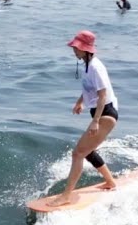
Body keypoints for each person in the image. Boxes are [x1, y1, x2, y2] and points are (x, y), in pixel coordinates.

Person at [48, 30, 118, 207]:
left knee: (78, 153)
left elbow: (102, 95)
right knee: (87, 151)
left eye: (76, 47)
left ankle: (66, 196)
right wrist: (81, 102)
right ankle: (110, 182)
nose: (74, 50)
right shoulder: (87, 65)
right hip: (98, 112)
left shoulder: (95, 66)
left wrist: (95, 121)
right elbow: (89, 89)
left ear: (86, 49)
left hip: (106, 114)